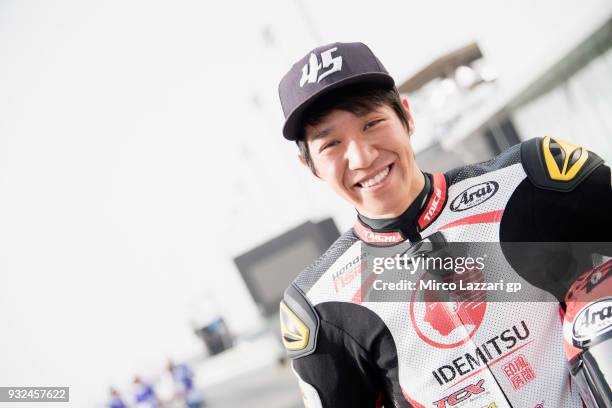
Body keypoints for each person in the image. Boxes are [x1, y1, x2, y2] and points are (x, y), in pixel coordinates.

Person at [277, 42, 611, 407]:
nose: (361, 157)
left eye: (372, 123)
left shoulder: (533, 181)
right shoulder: (321, 305)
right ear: (309, 165)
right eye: (332, 144)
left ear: (406, 116)